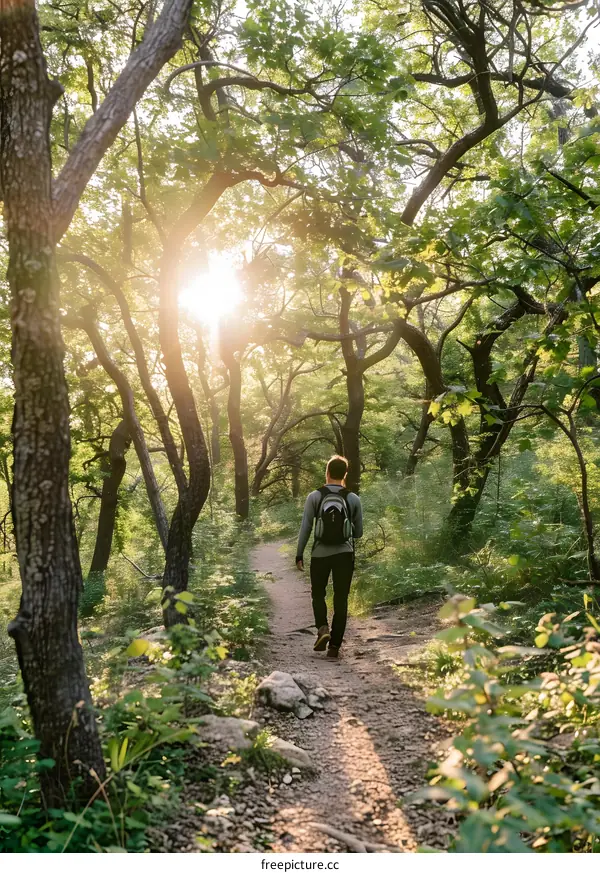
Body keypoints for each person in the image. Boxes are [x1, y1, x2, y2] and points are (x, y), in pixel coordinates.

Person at [295, 455, 363, 658]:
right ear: (345, 474)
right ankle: (334, 647)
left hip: (319, 553)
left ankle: (323, 628)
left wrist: (299, 553)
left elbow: (306, 528)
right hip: (344, 554)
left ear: (327, 472)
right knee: (341, 598)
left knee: (318, 594)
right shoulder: (353, 499)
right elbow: (358, 533)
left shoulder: (315, 497)